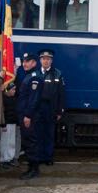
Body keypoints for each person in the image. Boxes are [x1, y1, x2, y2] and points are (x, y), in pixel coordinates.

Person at [16, 49, 65, 178]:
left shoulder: (53, 74)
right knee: (34, 138)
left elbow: (60, 93)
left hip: (45, 109)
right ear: (40, 60)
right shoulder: (33, 75)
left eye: (48, 58)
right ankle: (35, 164)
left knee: (43, 135)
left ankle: (40, 163)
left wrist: (59, 109)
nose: (25, 64)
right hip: (37, 109)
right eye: (43, 58)